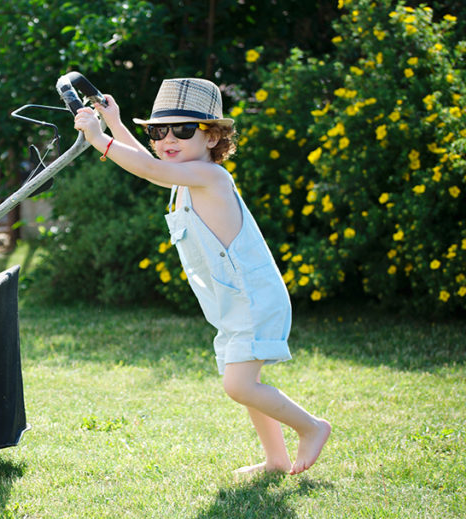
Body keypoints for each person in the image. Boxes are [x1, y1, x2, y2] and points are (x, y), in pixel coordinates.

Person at [73, 78, 330, 475]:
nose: (168, 139)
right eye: (159, 131)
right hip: (229, 301)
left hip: (253, 298)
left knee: (239, 385)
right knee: (243, 383)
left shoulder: (212, 177)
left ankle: (312, 427)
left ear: (212, 138)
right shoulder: (181, 175)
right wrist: (114, 122)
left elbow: (149, 169)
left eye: (184, 130)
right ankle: (276, 460)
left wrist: (98, 138)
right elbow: (149, 163)